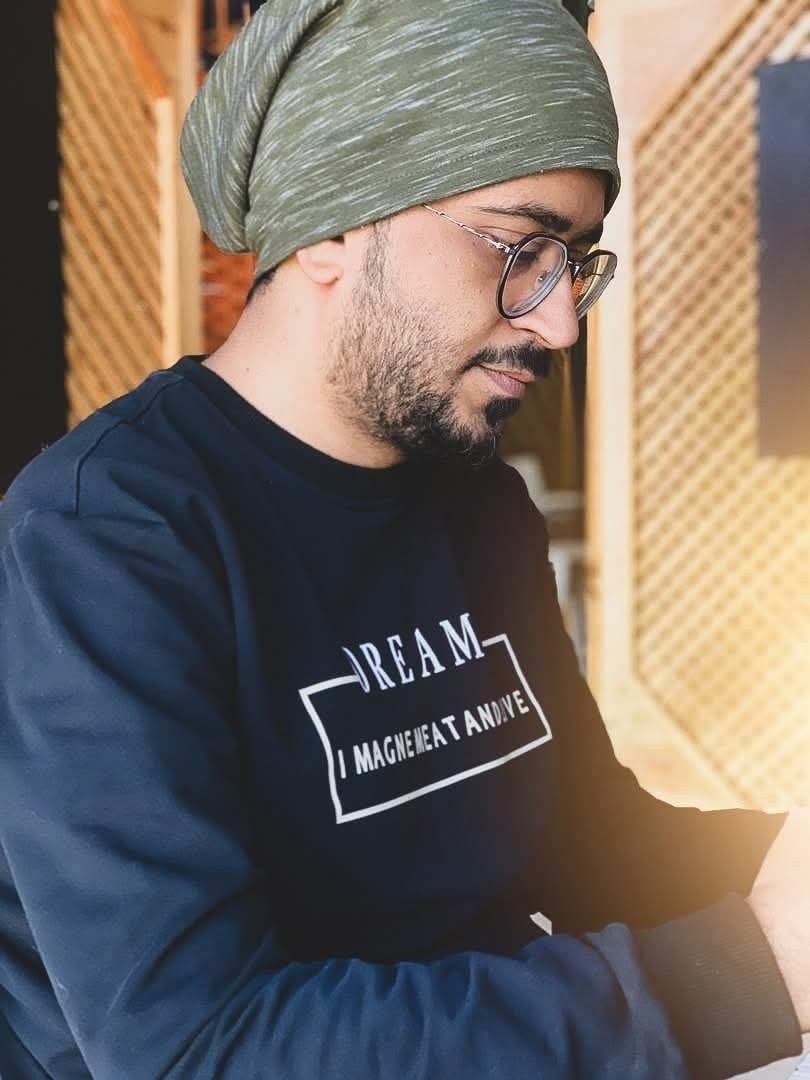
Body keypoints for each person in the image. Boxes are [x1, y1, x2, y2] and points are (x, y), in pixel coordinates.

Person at [0, 1, 807, 1077]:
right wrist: (755, 969)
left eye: (575, 261)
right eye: (523, 248)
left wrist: (787, 866)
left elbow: (588, 843)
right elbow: (199, 1050)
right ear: (334, 225)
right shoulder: (104, 541)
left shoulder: (476, 503)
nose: (560, 321)